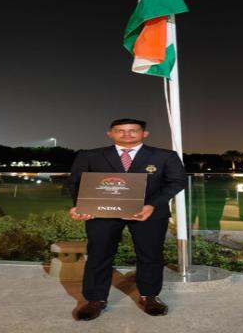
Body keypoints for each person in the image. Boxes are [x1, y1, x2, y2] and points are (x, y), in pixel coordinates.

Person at [68, 118, 186, 321]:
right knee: (98, 254)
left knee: (150, 255)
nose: (126, 134)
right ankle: (95, 299)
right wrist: (82, 206)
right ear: (110, 133)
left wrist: (152, 205)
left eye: (133, 130)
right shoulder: (90, 156)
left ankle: (149, 296)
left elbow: (177, 181)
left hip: (148, 213)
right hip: (102, 213)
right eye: (120, 130)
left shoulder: (164, 156)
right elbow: (75, 183)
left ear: (144, 134)